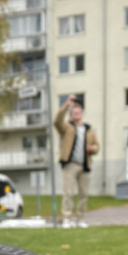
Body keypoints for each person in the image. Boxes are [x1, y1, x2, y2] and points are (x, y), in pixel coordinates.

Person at [55, 96, 99, 228]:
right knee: (68, 192)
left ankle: (80, 219)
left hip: (85, 165)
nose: (77, 115)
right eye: (74, 112)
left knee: (83, 194)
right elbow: (57, 121)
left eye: (79, 112)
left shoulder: (89, 130)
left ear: (82, 114)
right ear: (71, 115)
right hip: (70, 164)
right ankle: (67, 218)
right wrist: (66, 105)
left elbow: (97, 146)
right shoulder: (66, 127)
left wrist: (93, 149)